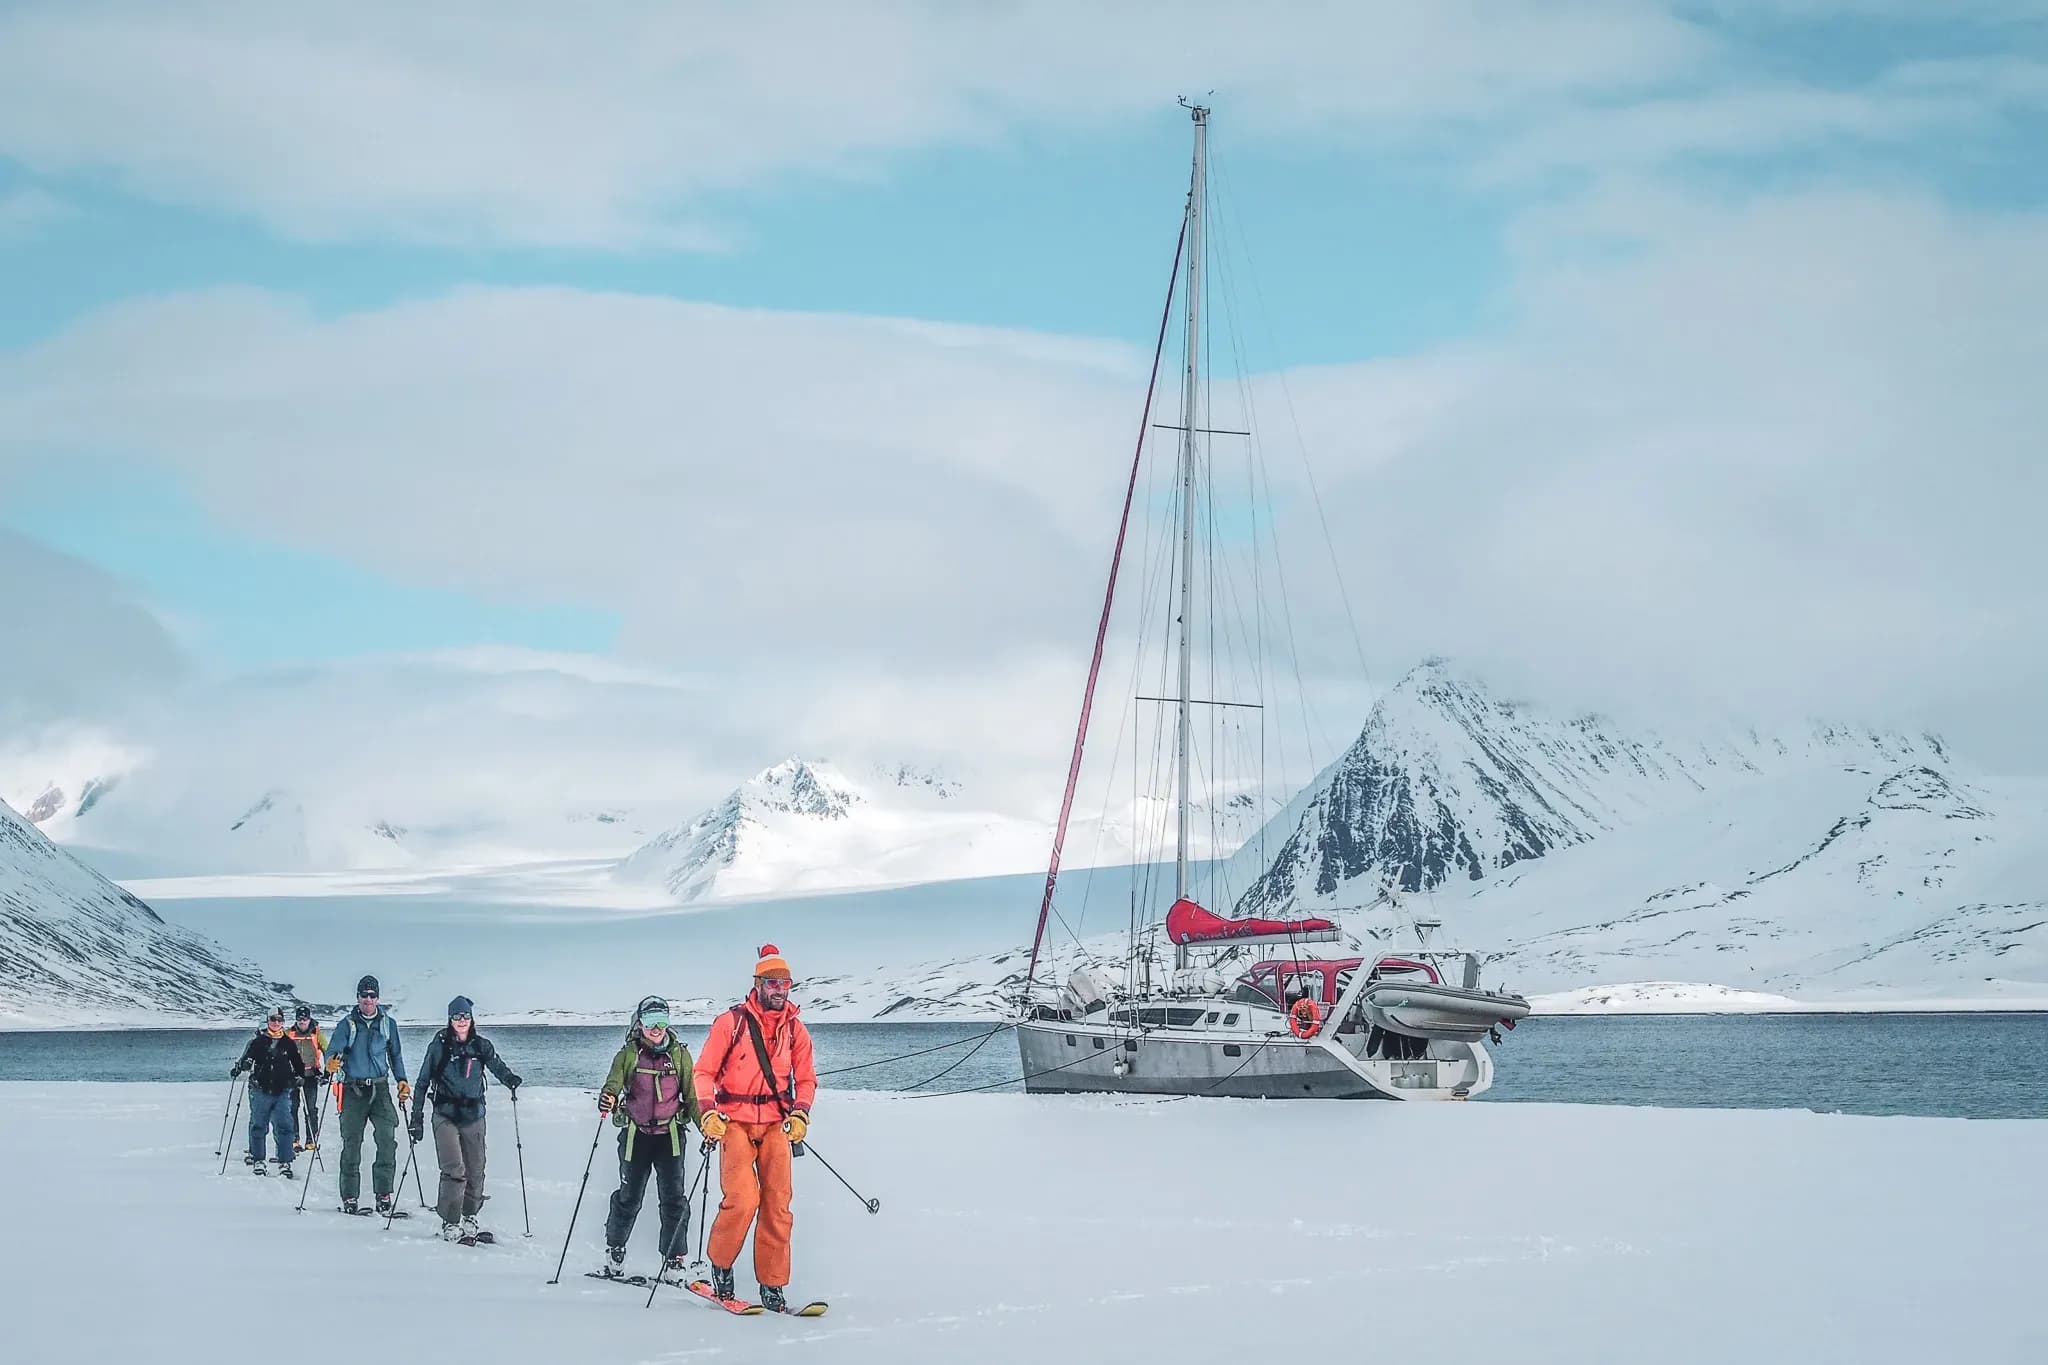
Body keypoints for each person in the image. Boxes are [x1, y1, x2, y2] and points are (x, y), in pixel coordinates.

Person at [692, 945, 817, 1312]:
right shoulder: (730, 1023)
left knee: (779, 1205)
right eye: (773, 982)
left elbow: (807, 1079)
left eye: (786, 983)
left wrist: (801, 1114)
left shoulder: (795, 1029)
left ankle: (773, 1287)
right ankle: (721, 1266)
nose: (780, 989)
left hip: (778, 1125)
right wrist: (707, 1112)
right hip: (733, 1123)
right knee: (743, 1199)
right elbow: (703, 1073)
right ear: (759, 984)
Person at [594, 995, 699, 1278]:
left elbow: (692, 1096)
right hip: (635, 1136)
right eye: (651, 1021)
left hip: (671, 1137)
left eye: (662, 1020)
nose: (657, 1027)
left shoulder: (680, 1055)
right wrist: (608, 1098)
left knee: (674, 1198)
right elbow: (613, 1084)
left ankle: (674, 1259)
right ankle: (615, 1249)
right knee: (629, 1196)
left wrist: (708, 1128)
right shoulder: (628, 1054)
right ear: (639, 1023)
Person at [407, 995, 521, 1242]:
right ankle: (450, 1221)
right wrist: (416, 1117)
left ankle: (470, 1216)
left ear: (471, 1019)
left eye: (466, 1016)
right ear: (450, 1019)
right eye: (457, 1016)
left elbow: (496, 1065)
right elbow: (422, 1081)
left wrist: (510, 1079)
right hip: (445, 1114)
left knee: (476, 1168)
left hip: (474, 1114)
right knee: (454, 1169)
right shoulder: (439, 1046)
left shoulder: (481, 1046)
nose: (461, 1021)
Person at [325, 973, 409, 1215]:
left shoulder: (388, 1024)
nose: (368, 1000)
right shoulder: (347, 1025)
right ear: (358, 997)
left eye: (372, 995)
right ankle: (350, 1196)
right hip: (353, 1089)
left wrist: (402, 1081)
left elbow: (395, 1056)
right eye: (364, 995)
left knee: (386, 1139)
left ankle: (383, 1194)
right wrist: (331, 1062)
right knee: (352, 1143)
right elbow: (332, 1050)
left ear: (378, 998)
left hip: (380, 1089)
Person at [232, 1006, 309, 1177]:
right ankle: (258, 1159)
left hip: (282, 1090)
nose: (276, 1023)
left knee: (285, 1126)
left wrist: (300, 1076)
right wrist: (243, 1065)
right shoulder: (258, 1042)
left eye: (279, 1020)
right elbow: (248, 1058)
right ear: (268, 1021)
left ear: (283, 1023)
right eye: (273, 1020)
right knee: (259, 1126)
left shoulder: (288, 1043)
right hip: (261, 1089)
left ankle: (285, 1162)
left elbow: (297, 1063)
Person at [285, 1004, 327, 1152]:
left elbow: (328, 1050)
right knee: (292, 1107)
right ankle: (294, 1139)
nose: (302, 1022)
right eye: (299, 1019)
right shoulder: (288, 1033)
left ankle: (311, 1139)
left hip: (310, 1076)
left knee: (310, 1109)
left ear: (309, 1019)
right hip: (292, 1076)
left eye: (305, 1019)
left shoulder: (317, 1034)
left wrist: (327, 1071)